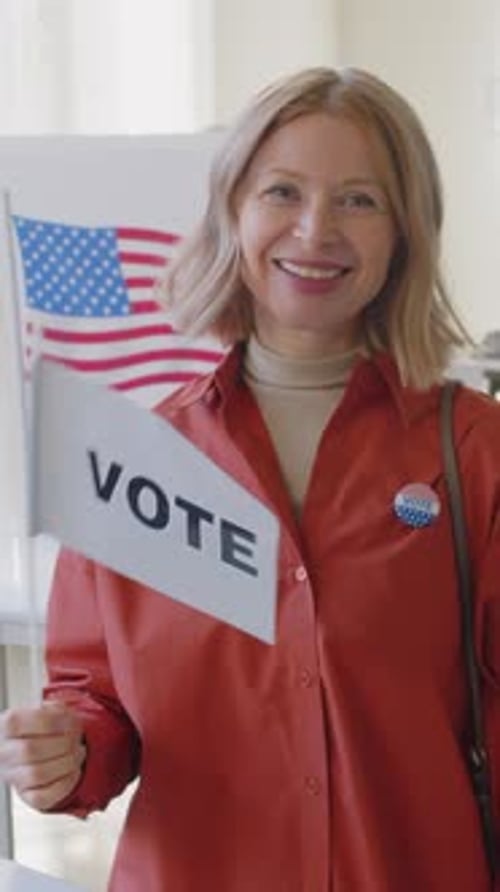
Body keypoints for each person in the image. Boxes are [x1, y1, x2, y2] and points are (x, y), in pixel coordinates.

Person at [0, 66, 499, 892]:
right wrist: (67, 749)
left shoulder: (474, 453)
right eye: (282, 192)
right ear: (233, 213)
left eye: (360, 200)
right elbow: (97, 702)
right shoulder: (131, 461)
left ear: (405, 231)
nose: (315, 230)